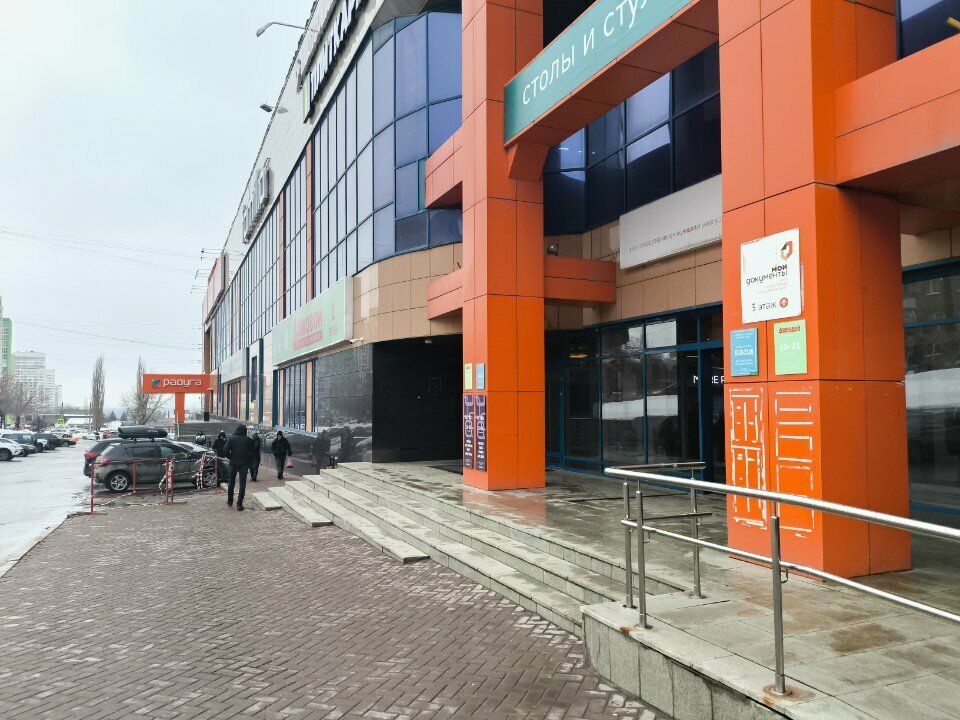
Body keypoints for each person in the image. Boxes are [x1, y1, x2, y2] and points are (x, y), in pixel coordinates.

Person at [224, 425, 252, 511]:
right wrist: (248, 459)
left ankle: (230, 501)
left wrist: (230, 457)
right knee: (242, 484)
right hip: (244, 463)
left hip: (233, 463)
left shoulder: (231, 439)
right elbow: (252, 451)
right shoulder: (248, 440)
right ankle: (239, 503)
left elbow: (225, 450)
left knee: (231, 482)